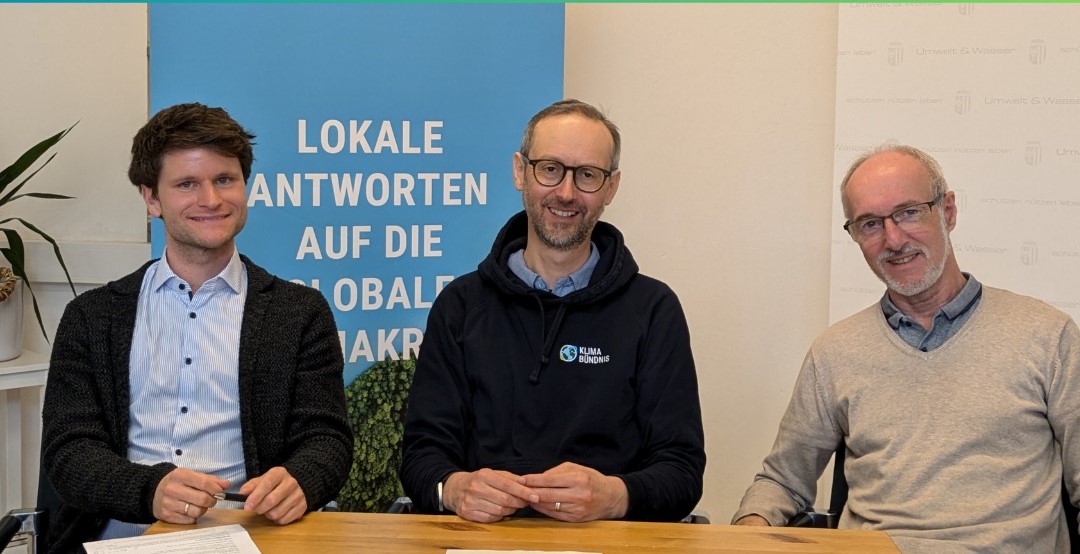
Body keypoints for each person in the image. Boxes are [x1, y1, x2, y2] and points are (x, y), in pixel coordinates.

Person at [732, 145, 1080, 552]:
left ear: (948, 211)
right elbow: (781, 482)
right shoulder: (834, 353)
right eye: (870, 224)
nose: (893, 240)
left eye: (908, 213)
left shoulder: (1047, 335)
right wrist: (749, 529)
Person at [41, 103, 353, 551]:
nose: (211, 200)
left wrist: (303, 478)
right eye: (187, 184)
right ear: (152, 198)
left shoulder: (300, 312)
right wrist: (149, 490)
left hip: (252, 536)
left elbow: (327, 439)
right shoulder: (92, 317)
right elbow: (68, 451)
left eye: (224, 180)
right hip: (121, 537)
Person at [399, 99, 705, 524]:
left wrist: (614, 496)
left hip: (609, 543)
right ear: (520, 172)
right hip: (481, 541)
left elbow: (683, 471)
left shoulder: (653, 310)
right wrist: (454, 489)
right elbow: (420, 456)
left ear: (611, 188)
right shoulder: (460, 305)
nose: (565, 192)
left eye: (587, 175)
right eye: (550, 169)